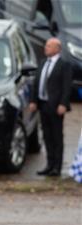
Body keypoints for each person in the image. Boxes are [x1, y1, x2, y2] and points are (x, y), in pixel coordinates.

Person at [30, 38, 73, 177]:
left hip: (56, 106)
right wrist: (33, 101)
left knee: (56, 137)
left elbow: (67, 87)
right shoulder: (43, 63)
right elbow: (36, 83)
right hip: (43, 104)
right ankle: (49, 164)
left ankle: (57, 166)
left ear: (57, 48)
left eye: (49, 46)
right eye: (46, 45)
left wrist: (63, 104)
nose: (45, 48)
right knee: (47, 136)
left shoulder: (64, 65)